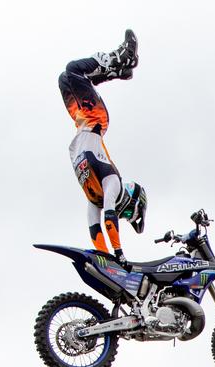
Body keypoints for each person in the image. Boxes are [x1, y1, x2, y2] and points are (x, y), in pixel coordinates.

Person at [59, 30, 148, 265]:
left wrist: (105, 260)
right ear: (131, 197)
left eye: (126, 215)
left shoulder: (93, 197)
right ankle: (121, 59)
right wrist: (119, 254)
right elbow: (109, 216)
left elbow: (94, 228)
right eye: (128, 212)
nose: (123, 213)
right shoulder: (113, 183)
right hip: (95, 120)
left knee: (65, 78)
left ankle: (119, 70)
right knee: (74, 70)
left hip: (81, 123)